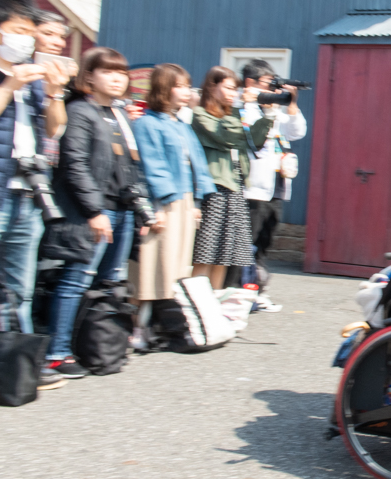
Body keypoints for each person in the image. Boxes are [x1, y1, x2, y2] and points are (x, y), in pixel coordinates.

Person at [0, 0, 71, 413]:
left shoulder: (32, 77)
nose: (26, 41)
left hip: (27, 195)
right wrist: (8, 84)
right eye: (19, 31)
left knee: (18, 293)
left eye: (30, 33)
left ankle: (17, 370)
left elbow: (54, 132)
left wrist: (55, 93)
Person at [40, 48, 145, 378]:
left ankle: (95, 346)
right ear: (88, 77)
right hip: (94, 212)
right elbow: (75, 166)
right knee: (75, 280)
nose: (117, 78)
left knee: (106, 284)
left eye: (122, 72)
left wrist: (140, 211)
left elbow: (129, 166)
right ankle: (57, 352)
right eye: (108, 72)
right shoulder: (80, 111)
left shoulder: (119, 114)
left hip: (122, 211)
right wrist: (93, 210)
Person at [132, 64, 216, 347]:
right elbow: (152, 166)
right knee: (157, 264)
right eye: (179, 86)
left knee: (178, 266)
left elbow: (198, 164)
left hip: (185, 200)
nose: (186, 92)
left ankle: (165, 324)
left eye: (187, 85)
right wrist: (163, 203)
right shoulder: (147, 123)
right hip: (163, 201)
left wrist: (198, 198)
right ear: (163, 88)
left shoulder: (180, 125)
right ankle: (140, 326)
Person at [190, 66, 272, 289]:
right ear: (211, 86)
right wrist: (241, 106)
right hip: (214, 188)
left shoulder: (232, 114)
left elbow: (253, 142)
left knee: (225, 256)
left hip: (235, 187)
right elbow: (225, 137)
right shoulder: (200, 114)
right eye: (228, 87)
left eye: (235, 89)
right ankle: (196, 303)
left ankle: (214, 304)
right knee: (206, 253)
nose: (233, 93)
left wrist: (269, 115)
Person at [235, 60, 307, 300]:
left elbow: (297, 131)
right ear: (250, 83)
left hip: (277, 185)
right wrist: (265, 107)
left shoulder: (272, 107)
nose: (274, 88)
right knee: (247, 241)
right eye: (269, 82)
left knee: (266, 240)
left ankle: (257, 289)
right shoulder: (243, 105)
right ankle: (241, 290)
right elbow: (252, 137)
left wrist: (291, 102)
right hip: (253, 188)